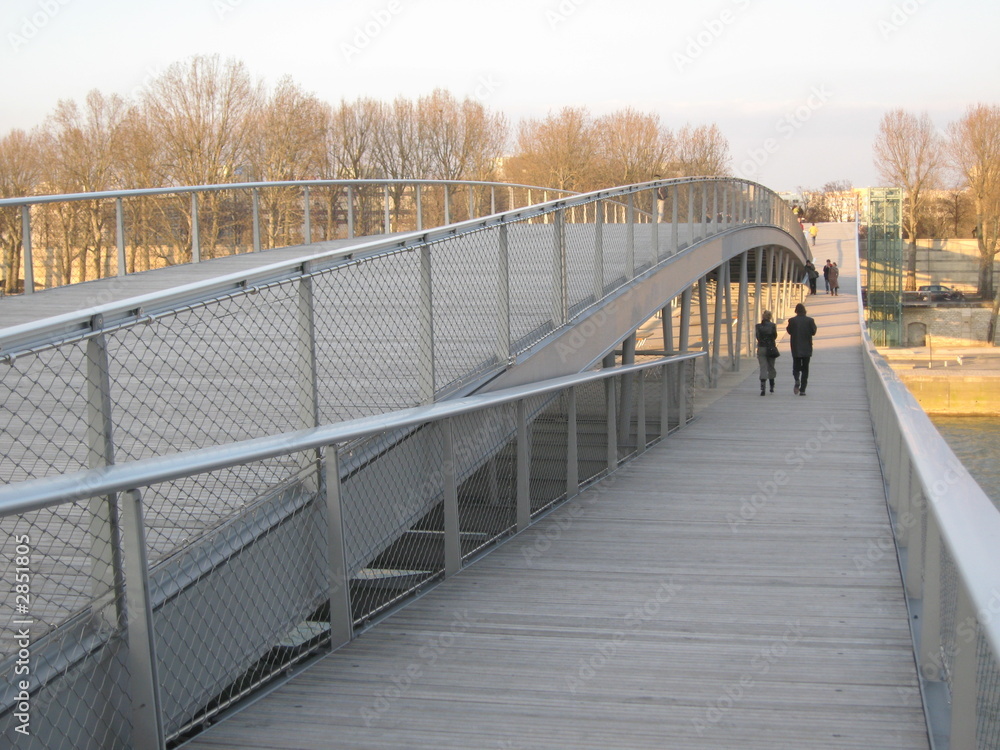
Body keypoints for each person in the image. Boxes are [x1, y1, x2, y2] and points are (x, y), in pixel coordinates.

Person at [786, 302, 818, 396]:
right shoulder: (810, 320)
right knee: (805, 369)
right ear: (804, 311)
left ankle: (797, 379)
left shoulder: (792, 321)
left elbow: (789, 331)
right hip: (807, 348)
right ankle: (803, 389)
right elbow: (813, 332)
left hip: (796, 347)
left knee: (796, 367)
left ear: (796, 311)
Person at [755, 310, 778, 396]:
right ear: (770, 317)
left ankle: (763, 386)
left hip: (761, 347)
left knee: (763, 367)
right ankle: (771, 385)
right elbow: (775, 336)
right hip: (771, 348)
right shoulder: (773, 326)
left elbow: (757, 336)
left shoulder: (758, 326)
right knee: (771, 367)